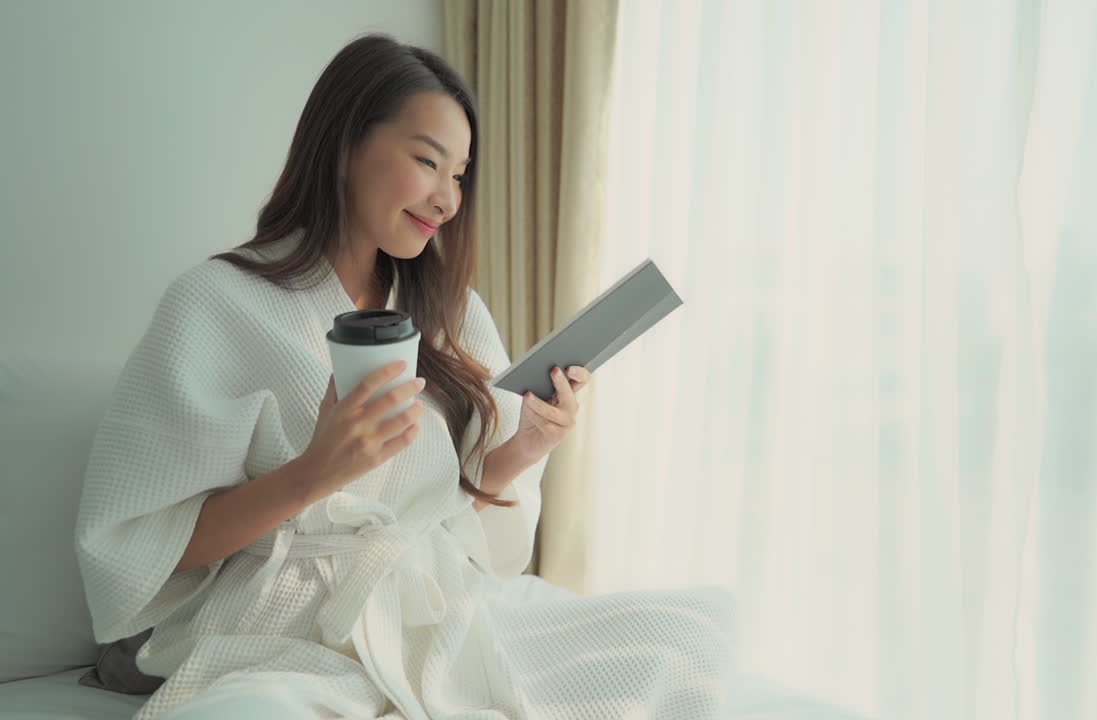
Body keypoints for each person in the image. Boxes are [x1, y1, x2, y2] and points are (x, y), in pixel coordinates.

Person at [74, 33, 736, 719]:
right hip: (277, 621)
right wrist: (315, 473)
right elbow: (143, 545)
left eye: (459, 175)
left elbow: (438, 512)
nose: (447, 199)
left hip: (422, 603)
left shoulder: (452, 315)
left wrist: (523, 449)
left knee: (690, 634)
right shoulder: (215, 304)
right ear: (343, 147)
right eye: (428, 162)